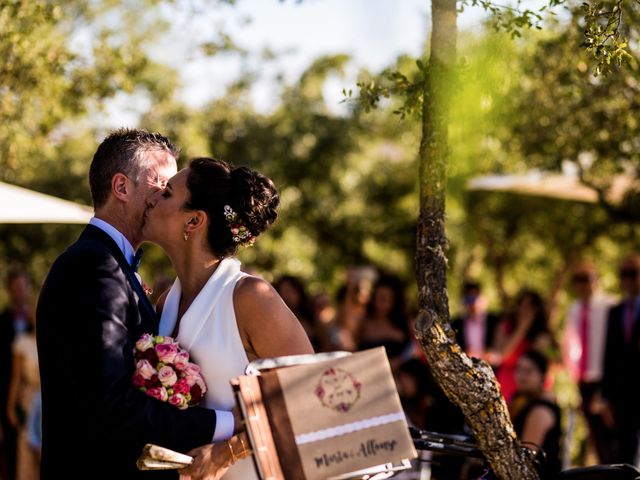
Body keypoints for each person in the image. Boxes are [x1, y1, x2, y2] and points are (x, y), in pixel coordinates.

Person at [36, 129, 229, 479]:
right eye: (162, 187)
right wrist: (225, 423)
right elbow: (111, 406)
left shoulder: (109, 264)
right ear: (122, 188)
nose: (166, 200)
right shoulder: (95, 267)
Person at [143, 157, 314, 479]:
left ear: (194, 221)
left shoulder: (250, 298)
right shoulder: (166, 303)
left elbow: (310, 393)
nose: (152, 198)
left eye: (166, 193)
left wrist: (226, 453)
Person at [561, 263, 615, 463]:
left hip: (606, 379)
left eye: (587, 279)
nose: (583, 285)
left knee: (613, 437)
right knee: (597, 438)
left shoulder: (609, 305)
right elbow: (570, 343)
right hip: (584, 381)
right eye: (578, 280)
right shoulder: (574, 309)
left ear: (596, 280)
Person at [602, 254, 640, 465]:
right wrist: (606, 397)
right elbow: (609, 356)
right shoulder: (614, 312)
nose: (628, 279)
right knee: (624, 454)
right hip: (622, 395)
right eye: (623, 274)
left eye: (633, 273)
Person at [490, 289, 555, 401]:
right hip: (508, 383)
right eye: (522, 305)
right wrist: (522, 327)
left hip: (535, 384)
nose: (525, 310)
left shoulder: (543, 332)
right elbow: (502, 354)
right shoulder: (505, 326)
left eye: (530, 307)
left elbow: (554, 361)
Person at [0, 268, 33, 480]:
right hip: (6, 388)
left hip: (33, 394)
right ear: (9, 291)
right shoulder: (2, 320)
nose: (19, 292)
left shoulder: (36, 317)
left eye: (23, 288)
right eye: (15, 289)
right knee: (11, 449)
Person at [509, 350, 562, 477]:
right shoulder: (523, 400)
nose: (521, 376)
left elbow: (526, 457)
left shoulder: (540, 410)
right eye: (519, 370)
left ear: (542, 376)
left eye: (528, 371)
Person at [6, 312, 40, 480]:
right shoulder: (23, 343)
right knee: (26, 448)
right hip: (29, 399)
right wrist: (11, 406)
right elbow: (16, 376)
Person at [356, 273, 412, 370]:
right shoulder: (361, 324)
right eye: (381, 298)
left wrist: (397, 363)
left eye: (389, 300)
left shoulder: (404, 325)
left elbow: (411, 352)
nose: (384, 304)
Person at [451, 281, 500, 359]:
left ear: (483, 298)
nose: (472, 304)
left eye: (474, 298)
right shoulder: (456, 324)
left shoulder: (495, 321)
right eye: (468, 299)